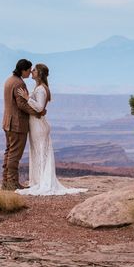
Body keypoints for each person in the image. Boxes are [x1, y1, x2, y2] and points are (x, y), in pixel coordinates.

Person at [16, 63, 88, 196]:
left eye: (34, 70)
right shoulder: (38, 88)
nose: (32, 71)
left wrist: (27, 99)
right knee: (37, 152)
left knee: (41, 152)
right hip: (35, 124)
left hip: (39, 126)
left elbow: (40, 108)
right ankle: (38, 181)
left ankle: (44, 182)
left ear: (40, 74)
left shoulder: (41, 90)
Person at [1, 59, 44, 190]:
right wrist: (38, 113)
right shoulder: (19, 83)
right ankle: (12, 183)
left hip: (7, 122)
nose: (30, 72)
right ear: (23, 70)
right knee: (15, 154)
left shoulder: (9, 80)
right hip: (17, 124)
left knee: (8, 152)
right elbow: (22, 104)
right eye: (29, 70)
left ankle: (6, 181)